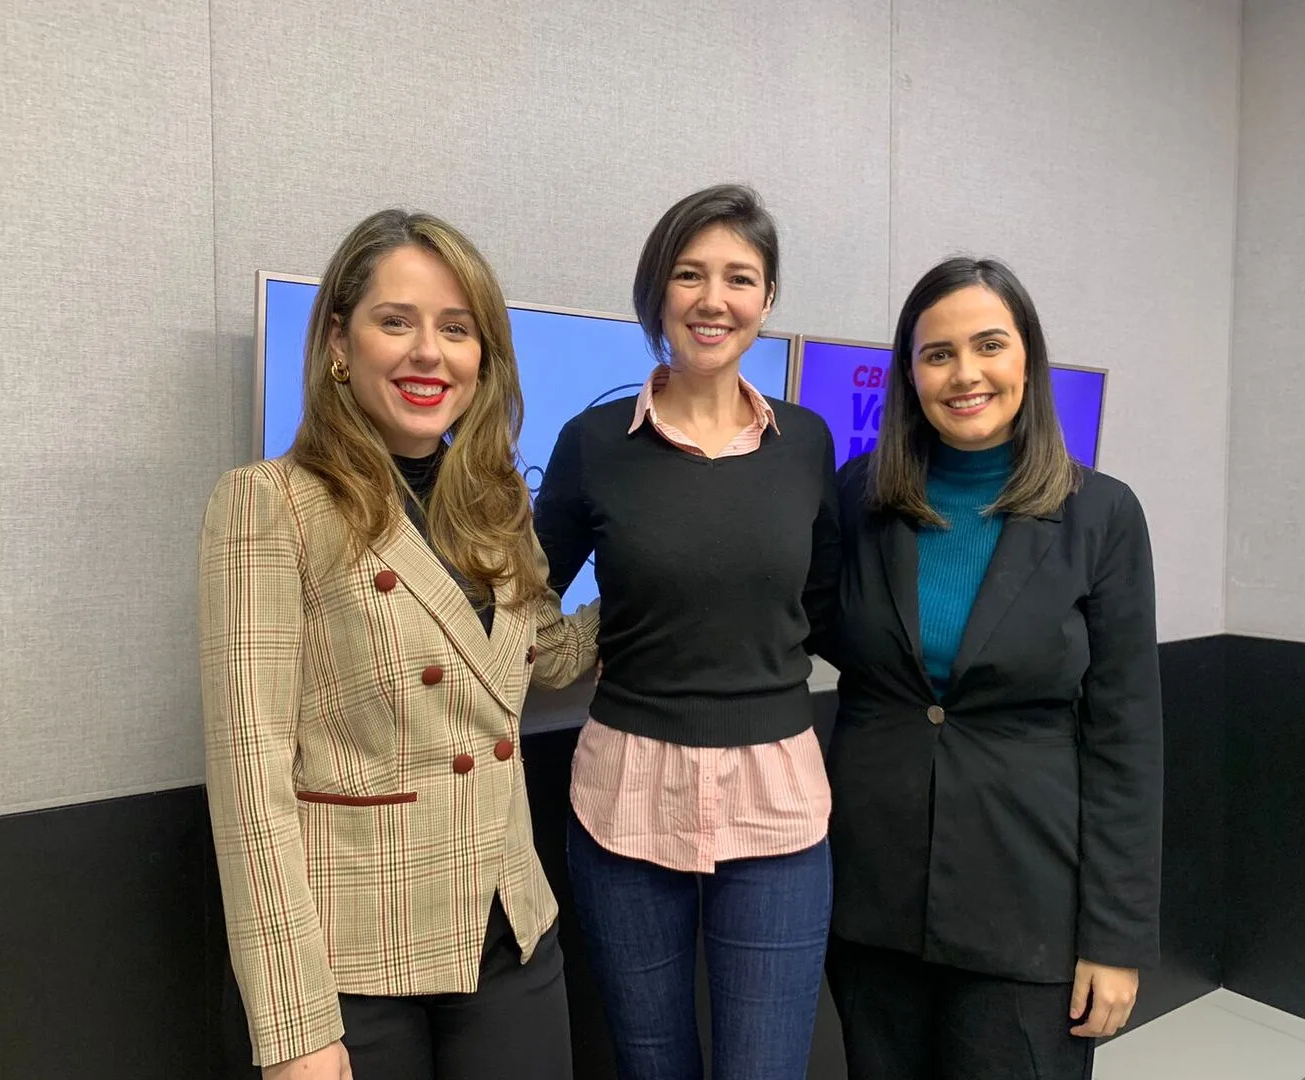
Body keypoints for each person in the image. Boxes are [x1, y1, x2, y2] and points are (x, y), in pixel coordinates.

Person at [198, 209, 599, 1080]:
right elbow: (249, 780)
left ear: (482, 358)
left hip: (510, 931)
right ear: (339, 342)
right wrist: (294, 1026)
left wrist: (669, 574)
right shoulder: (271, 504)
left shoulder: (496, 506)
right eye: (396, 321)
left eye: (457, 329)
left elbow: (549, 660)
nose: (430, 352)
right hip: (353, 962)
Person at [823, 257, 1164, 1079]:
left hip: (1031, 910)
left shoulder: (1101, 514)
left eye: (989, 346)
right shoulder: (857, 500)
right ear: (910, 374)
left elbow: (1128, 741)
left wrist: (1115, 940)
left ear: (1028, 361)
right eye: (938, 353)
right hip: (873, 902)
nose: (965, 373)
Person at [532, 184, 840, 1080]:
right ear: (657, 292)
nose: (715, 299)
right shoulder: (594, 442)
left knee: (766, 1068)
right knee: (651, 1060)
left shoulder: (809, 444)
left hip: (776, 799)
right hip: (627, 795)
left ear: (768, 300)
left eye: (740, 278)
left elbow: (823, 602)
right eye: (690, 274)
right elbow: (528, 596)